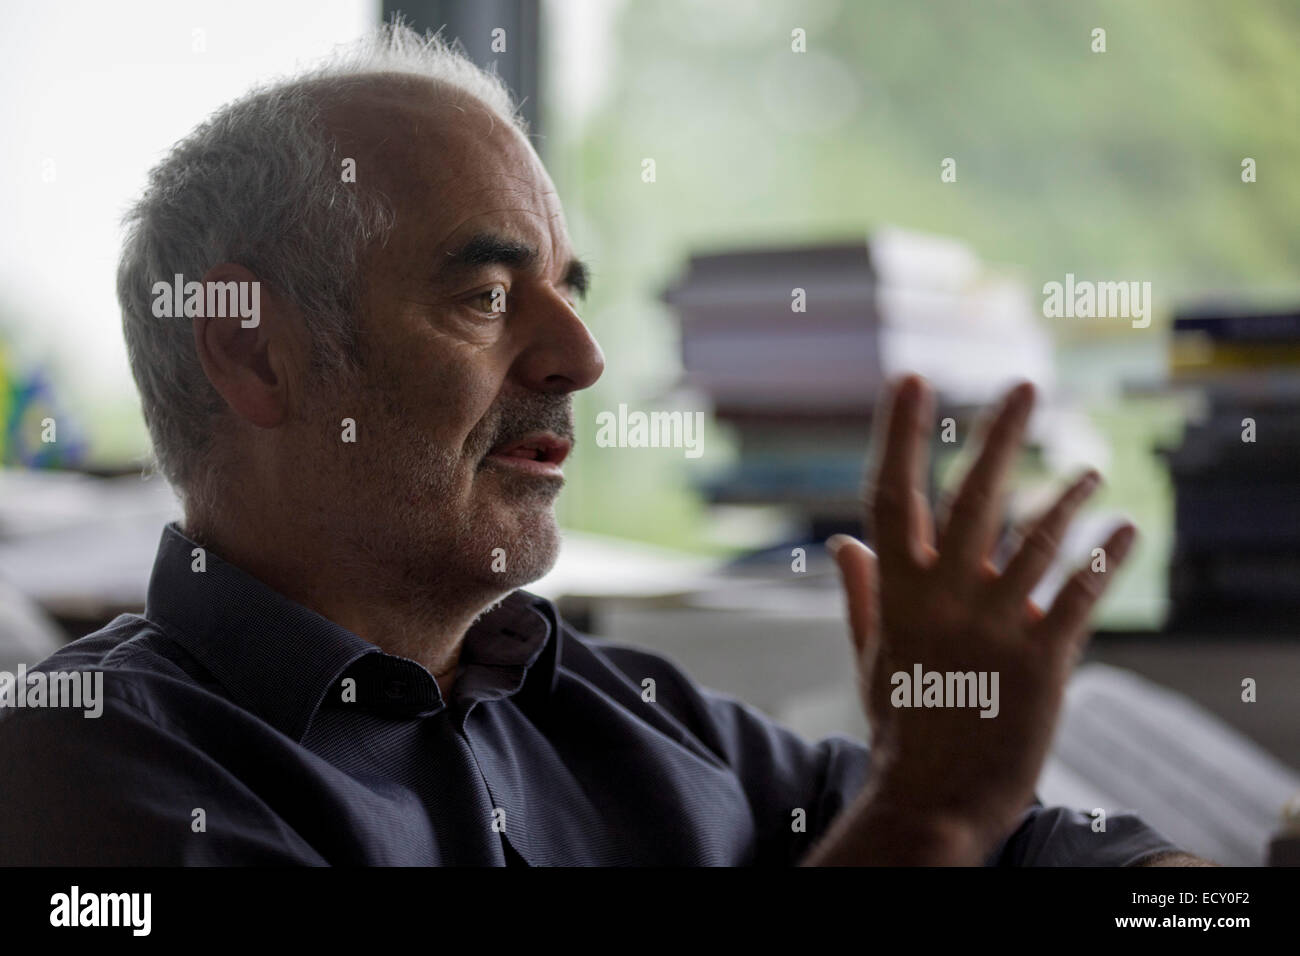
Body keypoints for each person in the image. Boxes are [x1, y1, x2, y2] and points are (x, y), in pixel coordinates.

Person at [0, 24, 1207, 866]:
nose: (581, 358)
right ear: (253, 350)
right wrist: (926, 819)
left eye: (570, 292)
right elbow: (940, 821)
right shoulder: (85, 766)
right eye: (484, 295)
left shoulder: (609, 703)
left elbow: (1038, 845)